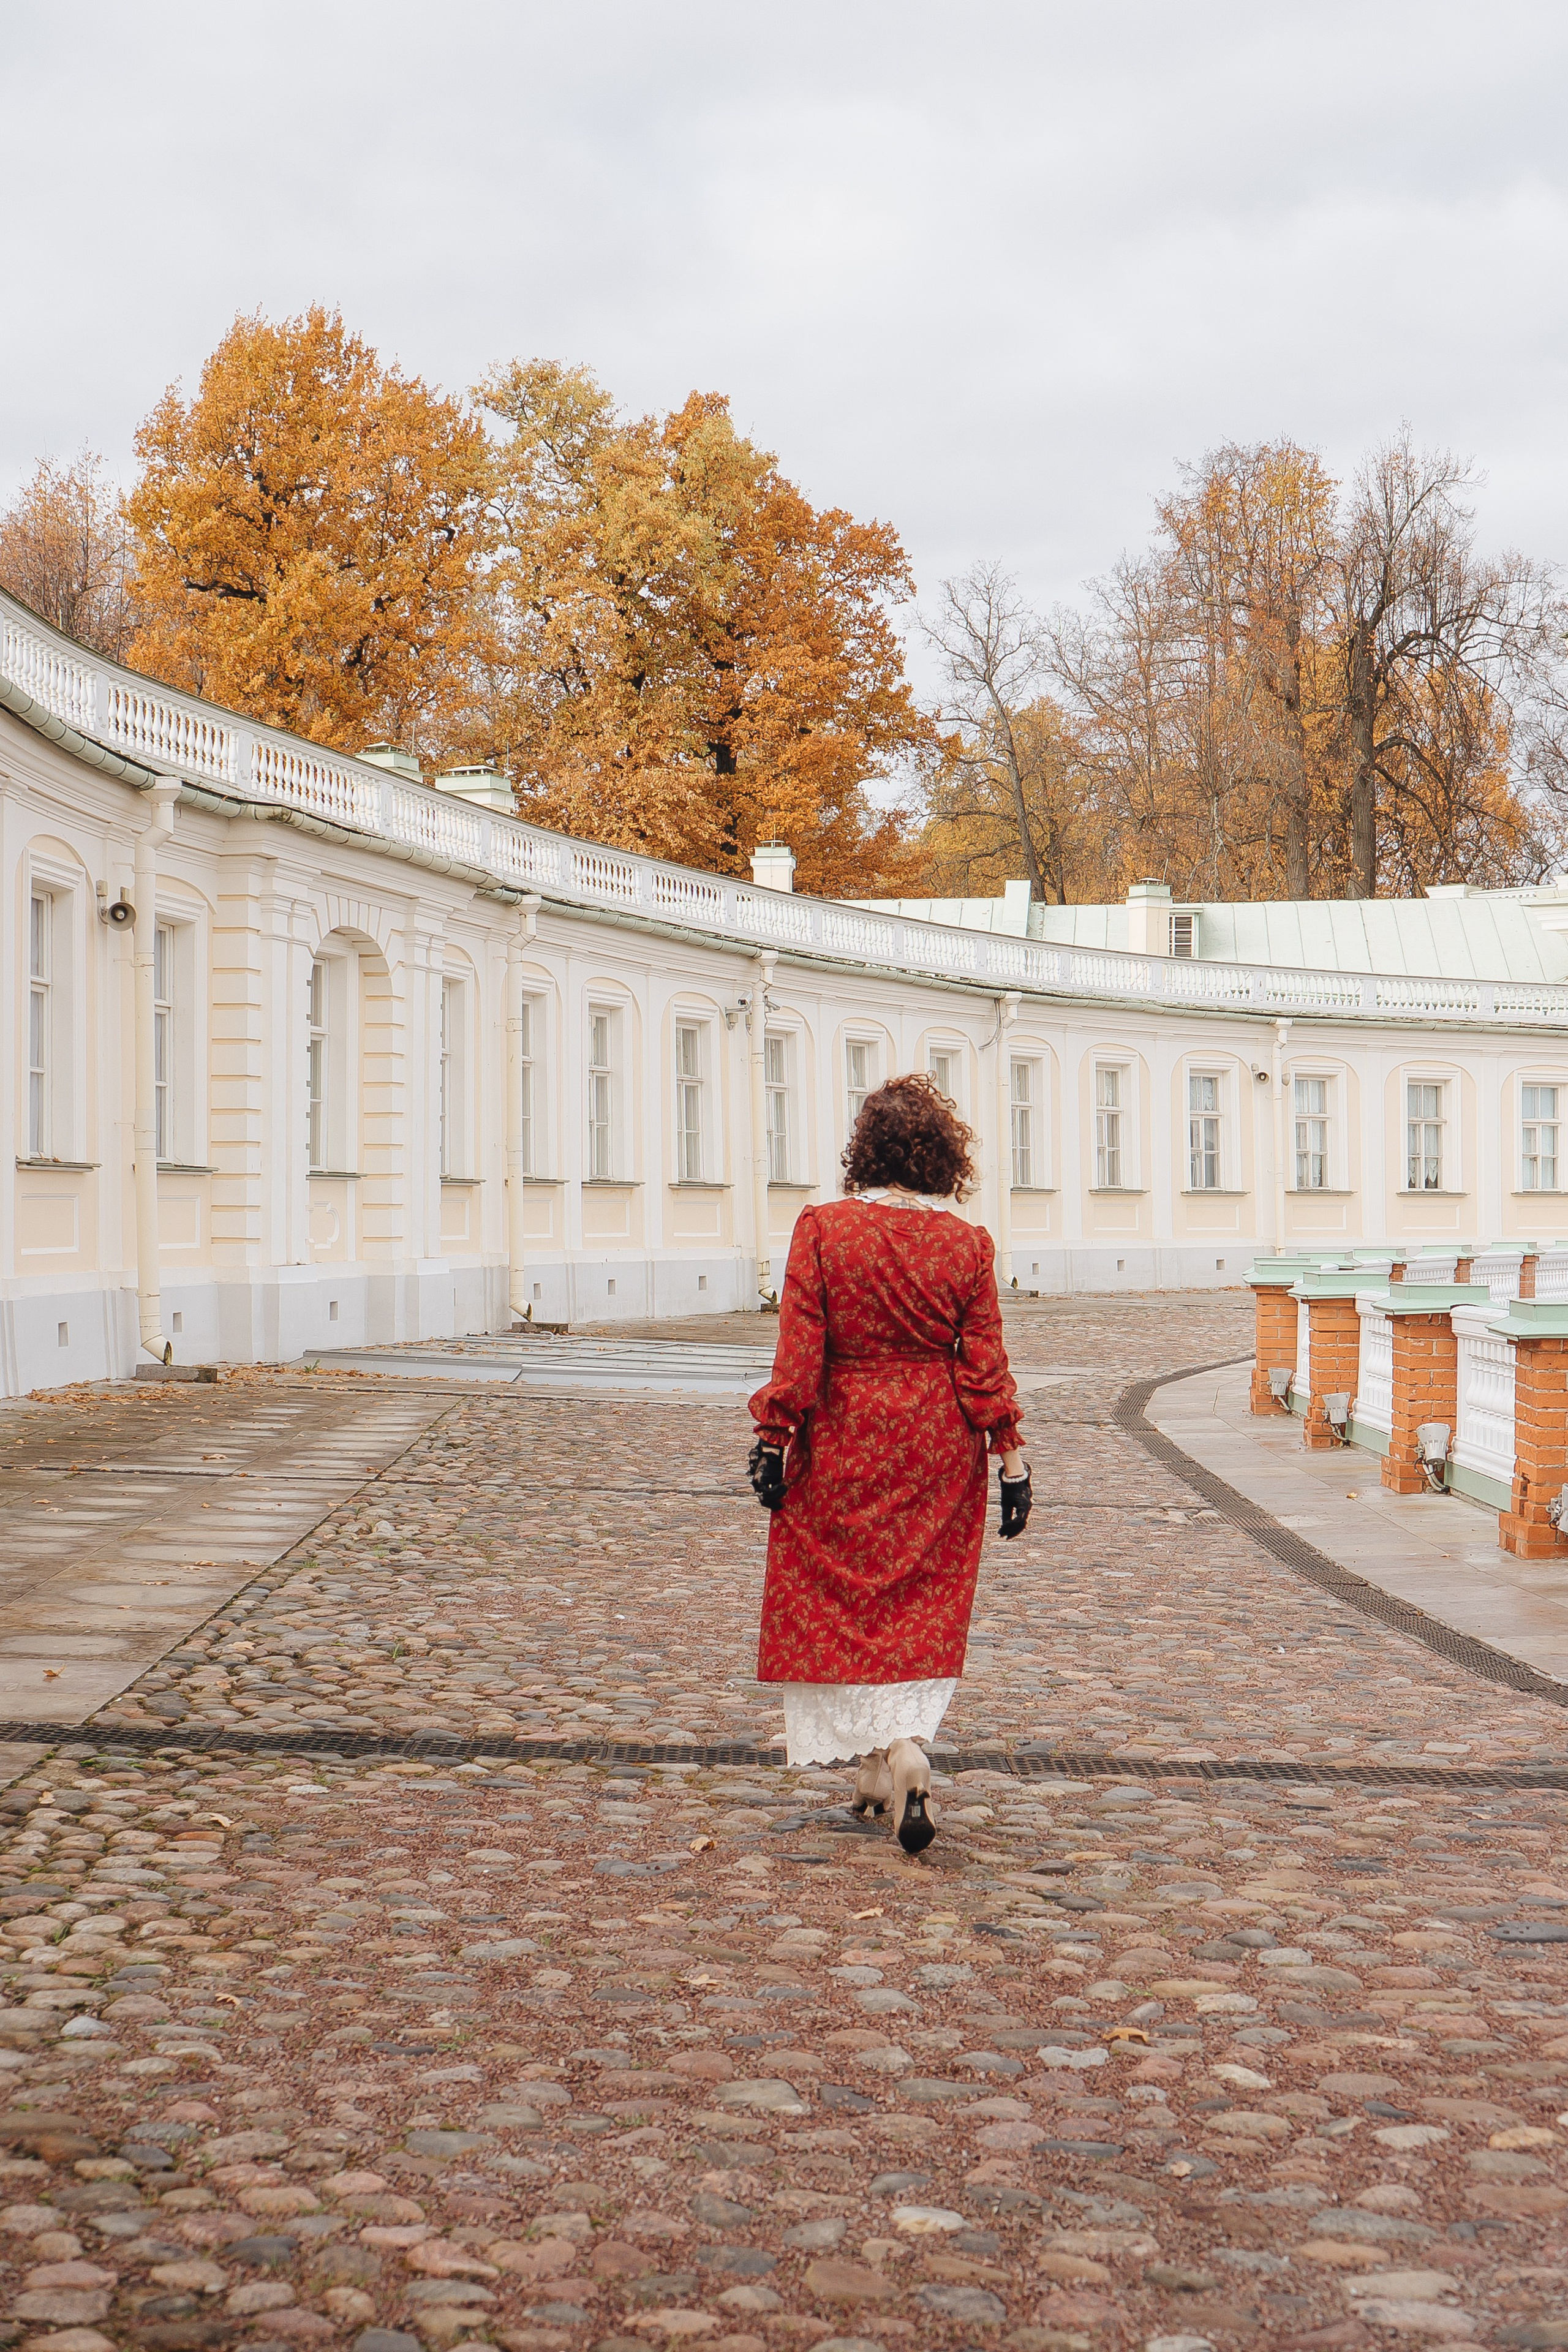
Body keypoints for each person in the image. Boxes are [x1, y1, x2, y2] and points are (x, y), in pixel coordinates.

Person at [746, 1072, 1031, 1854]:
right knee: (916, 1599)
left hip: (844, 1431)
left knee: (837, 1595)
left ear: (863, 1150)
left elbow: (800, 1350)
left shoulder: (824, 1229)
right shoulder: (967, 1244)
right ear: (942, 1157)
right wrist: (1011, 1462)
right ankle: (883, 1762)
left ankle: (897, 1752)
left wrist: (773, 1438)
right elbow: (985, 1365)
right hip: (937, 1441)